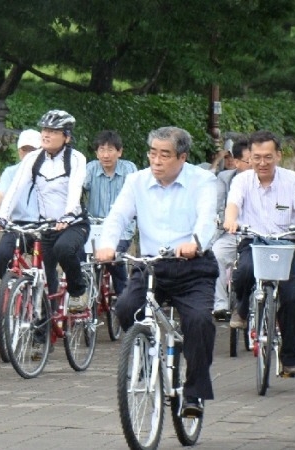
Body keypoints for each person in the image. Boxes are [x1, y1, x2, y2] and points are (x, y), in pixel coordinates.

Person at [96, 126, 219, 418]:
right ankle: (146, 359)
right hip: (151, 265)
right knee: (126, 307)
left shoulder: (203, 180)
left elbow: (207, 217)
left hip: (193, 266)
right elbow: (117, 217)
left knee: (199, 322)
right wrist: (106, 245)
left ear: (182, 157)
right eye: (153, 153)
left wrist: (196, 242)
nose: (157, 161)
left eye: (165, 154)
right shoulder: (136, 181)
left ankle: (194, 392)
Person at [223, 130, 295, 376]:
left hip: (286, 243)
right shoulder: (242, 181)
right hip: (253, 240)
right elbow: (233, 205)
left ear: (278, 156)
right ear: (249, 157)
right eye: (257, 157)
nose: (262, 163)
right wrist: (230, 221)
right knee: (244, 272)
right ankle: (241, 307)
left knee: (291, 300)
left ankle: (289, 359)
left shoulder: (293, 180)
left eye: (268, 157)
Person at [0, 109, 90, 311]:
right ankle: (44, 323)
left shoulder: (76, 158)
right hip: (45, 224)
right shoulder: (33, 159)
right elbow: (16, 188)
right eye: (44, 129)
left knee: (63, 249)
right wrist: (2, 216)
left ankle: (78, 290)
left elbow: (75, 188)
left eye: (53, 131)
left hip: (73, 223)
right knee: (45, 273)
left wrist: (69, 213)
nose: (46, 134)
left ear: (66, 136)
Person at [83, 129, 137, 295]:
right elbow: (77, 189)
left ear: (119, 152)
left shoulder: (129, 169)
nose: (106, 155)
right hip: (94, 227)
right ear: (96, 153)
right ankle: (84, 298)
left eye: (110, 150)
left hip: (122, 228)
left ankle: (125, 300)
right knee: (83, 261)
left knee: (114, 261)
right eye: (101, 150)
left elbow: (136, 196)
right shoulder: (90, 169)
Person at [0, 129, 41, 278]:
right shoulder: (11, 172)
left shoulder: (47, 173)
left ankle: (50, 299)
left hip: (43, 226)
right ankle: (15, 288)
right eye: (25, 150)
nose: (28, 154)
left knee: (49, 263)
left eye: (33, 150)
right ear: (19, 151)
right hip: (17, 226)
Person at [211, 139, 252, 320]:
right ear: (236, 162)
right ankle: (220, 304)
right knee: (216, 254)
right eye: (249, 161)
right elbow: (218, 205)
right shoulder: (224, 179)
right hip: (231, 233)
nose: (255, 165)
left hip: (256, 236)